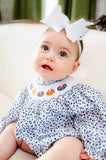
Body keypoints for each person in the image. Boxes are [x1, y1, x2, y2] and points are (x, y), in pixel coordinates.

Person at [0, 5, 105, 160]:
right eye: (45, 47)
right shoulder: (29, 88)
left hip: (57, 140)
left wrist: (94, 149)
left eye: (62, 54)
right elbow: (13, 114)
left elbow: (90, 121)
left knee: (72, 143)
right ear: (35, 50)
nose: (50, 57)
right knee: (11, 129)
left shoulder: (75, 92)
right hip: (29, 138)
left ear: (74, 67)